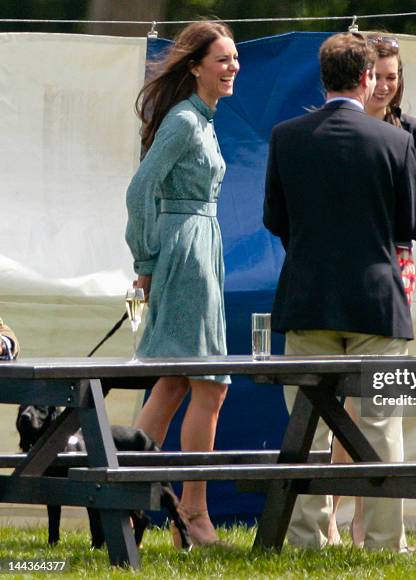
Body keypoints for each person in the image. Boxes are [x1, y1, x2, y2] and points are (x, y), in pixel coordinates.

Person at [264, 31, 416, 553]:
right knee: (381, 425)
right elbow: (407, 223)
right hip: (376, 301)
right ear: (366, 78)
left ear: (322, 78)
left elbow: (275, 219)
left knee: (306, 427)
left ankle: (305, 539)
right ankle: (382, 542)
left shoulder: (286, 136)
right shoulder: (396, 142)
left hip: (307, 298)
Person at [124, 20, 239, 548]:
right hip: (185, 252)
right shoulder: (185, 123)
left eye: (235, 59)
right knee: (208, 384)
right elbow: (140, 187)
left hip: (198, 246)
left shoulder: (202, 119)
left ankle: (127, 506)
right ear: (195, 66)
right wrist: (146, 258)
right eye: (222, 59)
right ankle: (191, 512)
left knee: (172, 382)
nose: (232, 66)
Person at [327, 33, 416, 547]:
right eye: (380, 76)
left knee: (378, 399)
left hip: (395, 263)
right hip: (341, 270)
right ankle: (329, 510)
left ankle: (365, 519)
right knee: (337, 405)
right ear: (363, 75)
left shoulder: (410, 130)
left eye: (395, 78)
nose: (386, 87)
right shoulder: (329, 127)